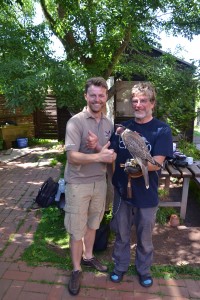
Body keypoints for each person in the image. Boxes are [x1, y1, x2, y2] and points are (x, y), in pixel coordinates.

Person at [109, 82, 173, 287]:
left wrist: (137, 166)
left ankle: (143, 270)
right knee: (121, 234)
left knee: (145, 237)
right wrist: (96, 149)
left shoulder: (161, 129)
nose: (138, 104)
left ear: (152, 103)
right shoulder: (123, 128)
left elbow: (158, 162)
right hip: (122, 192)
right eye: (135, 101)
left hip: (146, 193)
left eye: (143, 100)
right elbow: (111, 155)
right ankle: (120, 267)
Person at [64, 77, 115, 296]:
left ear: (106, 97)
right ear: (86, 96)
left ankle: (88, 257)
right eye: (93, 95)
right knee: (77, 229)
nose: (97, 99)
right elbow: (72, 156)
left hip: (99, 183)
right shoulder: (75, 122)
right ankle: (76, 270)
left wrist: (98, 149)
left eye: (101, 95)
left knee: (93, 224)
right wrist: (98, 155)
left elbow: (107, 156)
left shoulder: (108, 124)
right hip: (78, 184)